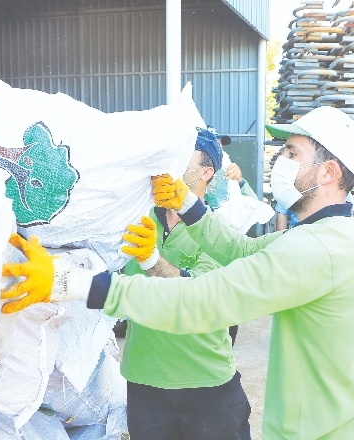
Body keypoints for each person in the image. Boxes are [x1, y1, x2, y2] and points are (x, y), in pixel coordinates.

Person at [1, 106, 354, 439]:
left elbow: (202, 300)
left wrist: (68, 281)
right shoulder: (334, 235)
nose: (278, 161)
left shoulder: (315, 248)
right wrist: (188, 204)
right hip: (340, 424)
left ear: (328, 173)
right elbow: (243, 250)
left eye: (291, 152)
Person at [117, 127, 251, 440]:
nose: (170, 166)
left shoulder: (220, 231)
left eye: (181, 159)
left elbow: (195, 294)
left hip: (205, 382)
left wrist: (151, 260)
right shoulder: (137, 219)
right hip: (144, 380)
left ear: (206, 172)